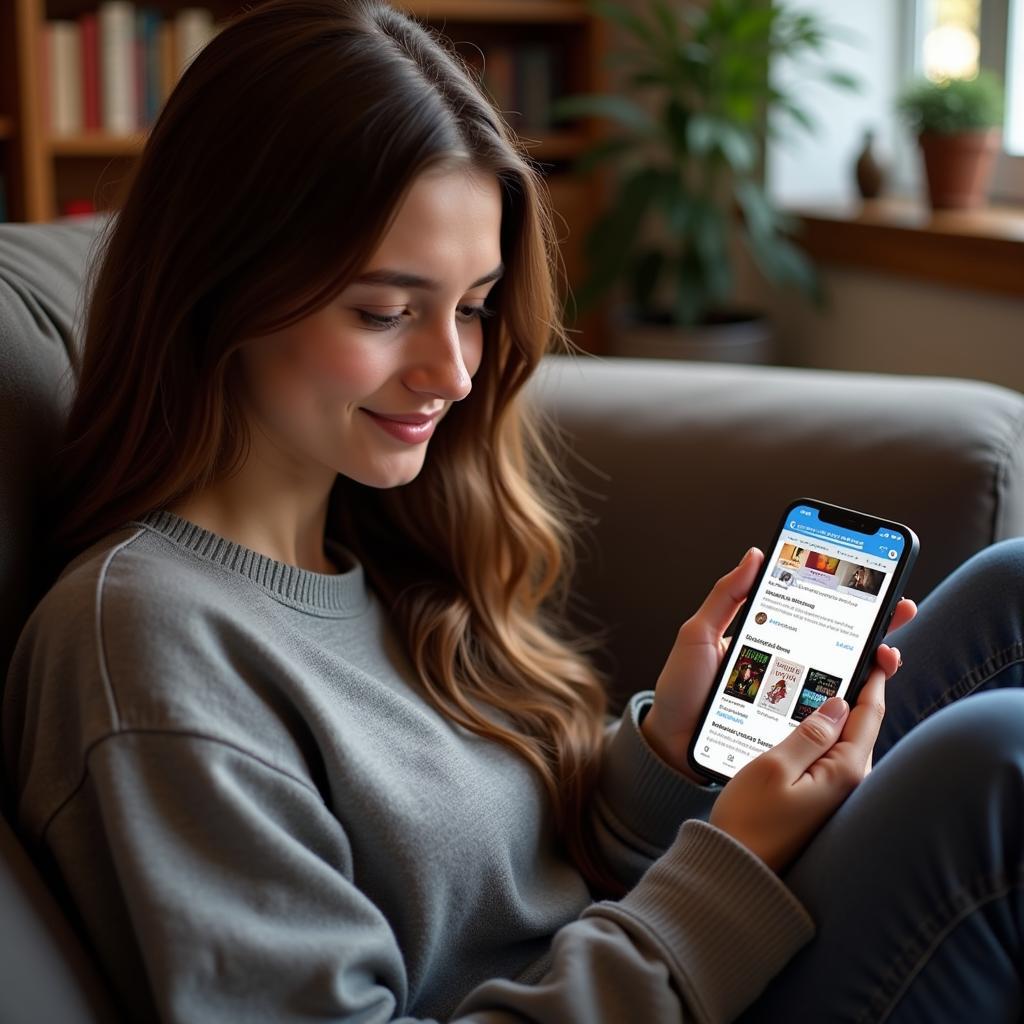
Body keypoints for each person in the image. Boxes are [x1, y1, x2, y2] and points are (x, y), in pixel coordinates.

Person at [2, 1, 1022, 1021]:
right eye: (385, 312)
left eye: (475, 305)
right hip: (674, 980)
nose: (450, 371)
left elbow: (517, 890)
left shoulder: (374, 538)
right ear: (214, 285)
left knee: (1007, 597)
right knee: (994, 766)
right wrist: (729, 864)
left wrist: (667, 759)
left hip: (656, 963)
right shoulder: (146, 644)